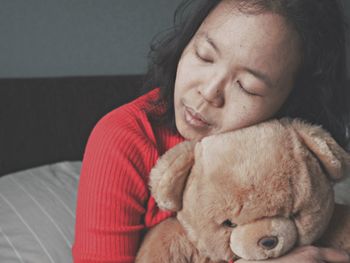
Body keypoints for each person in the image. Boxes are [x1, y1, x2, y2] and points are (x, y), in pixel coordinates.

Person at [72, 0, 350, 262]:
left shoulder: (294, 156)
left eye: (246, 87)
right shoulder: (124, 138)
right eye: (204, 56)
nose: (208, 93)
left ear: (291, 102)